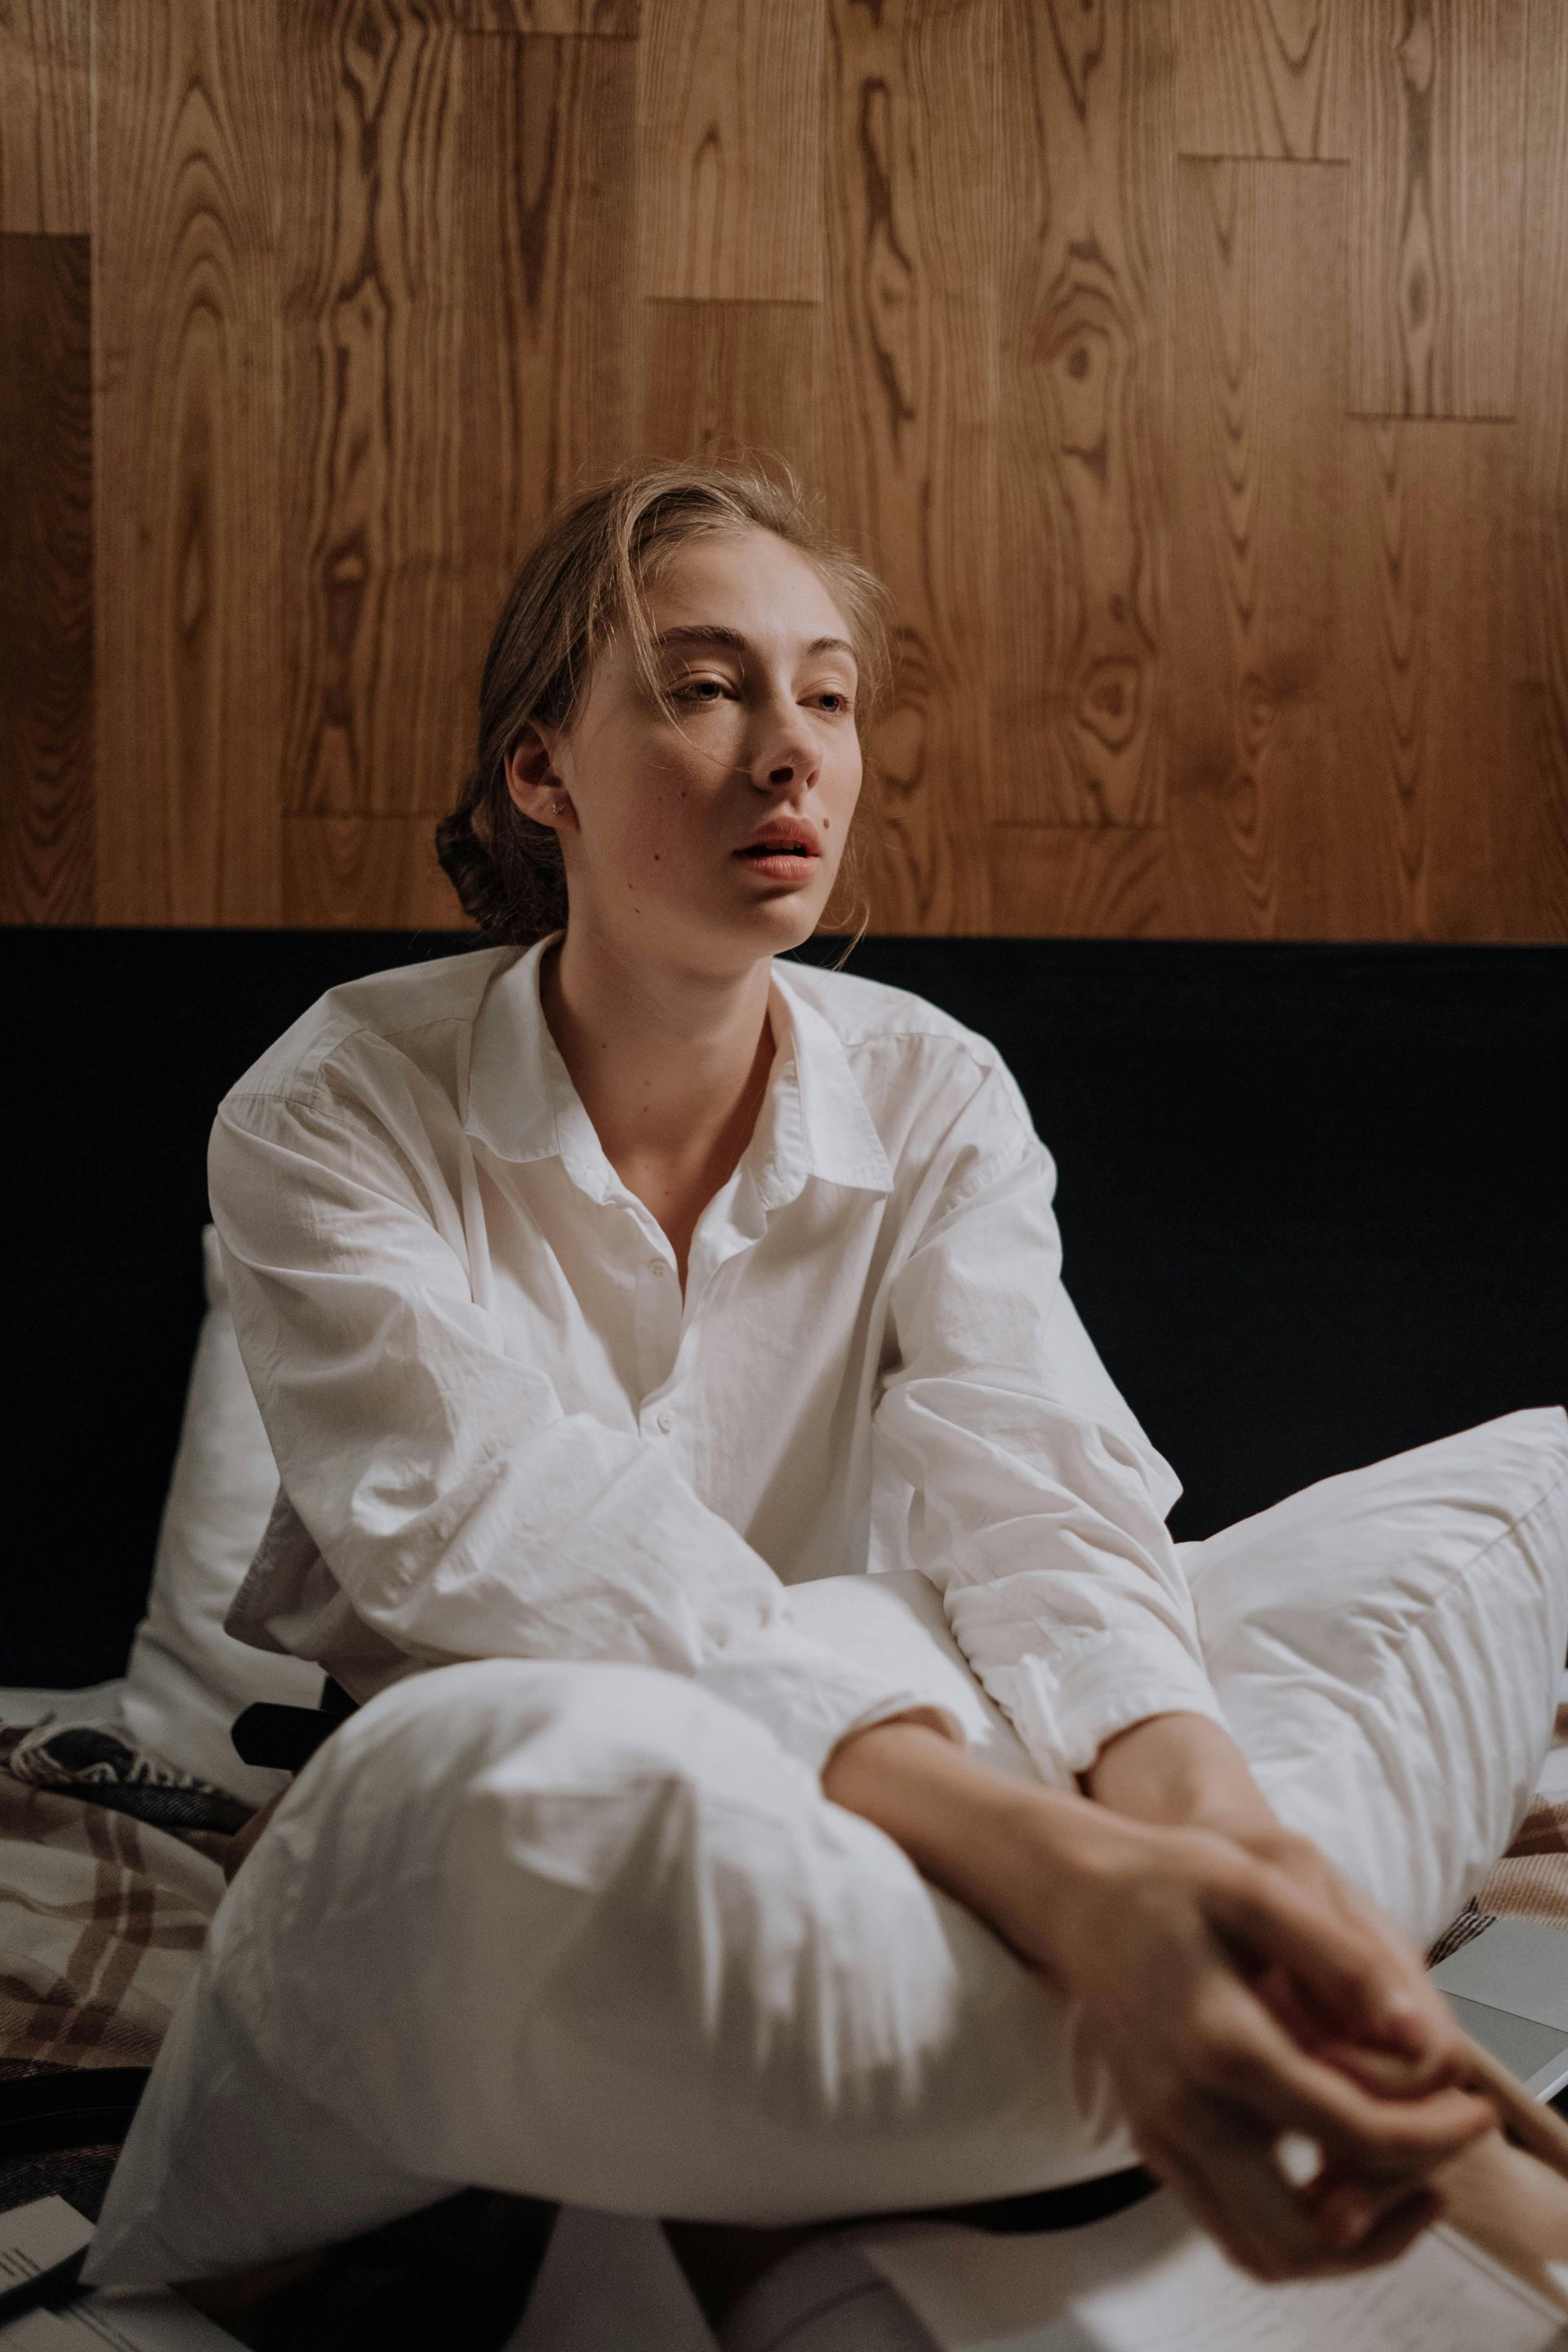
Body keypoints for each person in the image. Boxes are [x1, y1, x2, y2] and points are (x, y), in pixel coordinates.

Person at [85, 460, 1568, 2312]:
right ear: (541, 770)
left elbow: (1038, 1492)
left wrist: (1218, 1848)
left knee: (1521, 1490)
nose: (791, 751)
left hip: (920, 1752)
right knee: (636, 1769)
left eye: (830, 693)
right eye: (704, 688)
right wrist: (1054, 1868)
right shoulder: (330, 1110)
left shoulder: (934, 1089)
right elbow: (494, 1524)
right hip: (561, 1799)